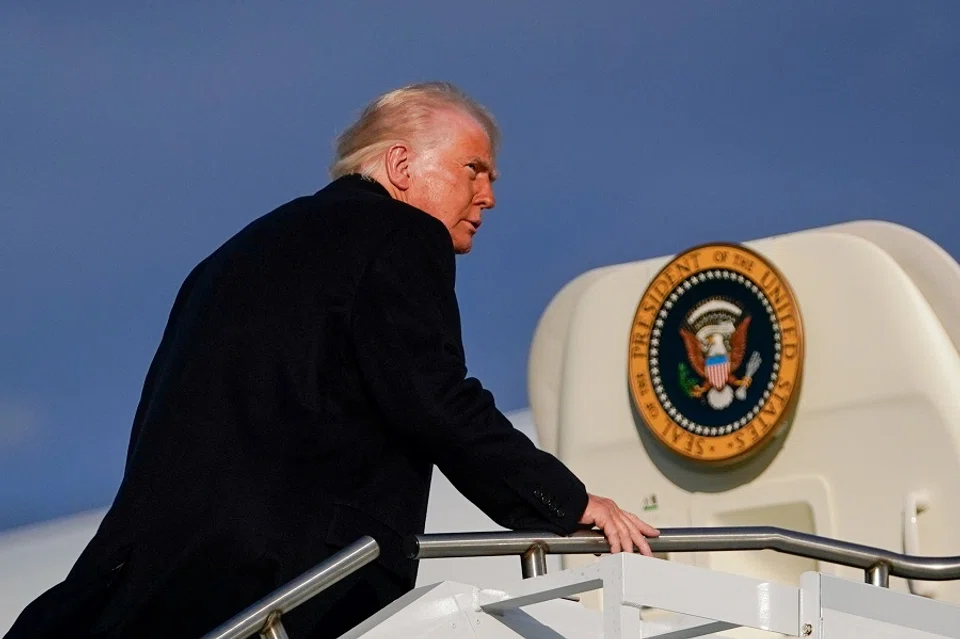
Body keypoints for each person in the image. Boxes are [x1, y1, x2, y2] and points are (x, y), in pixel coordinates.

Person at [4, 82, 658, 639]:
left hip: (163, 582)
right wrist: (566, 501)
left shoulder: (227, 260)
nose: (488, 195)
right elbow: (434, 397)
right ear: (401, 165)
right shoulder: (403, 235)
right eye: (473, 169)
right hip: (295, 583)